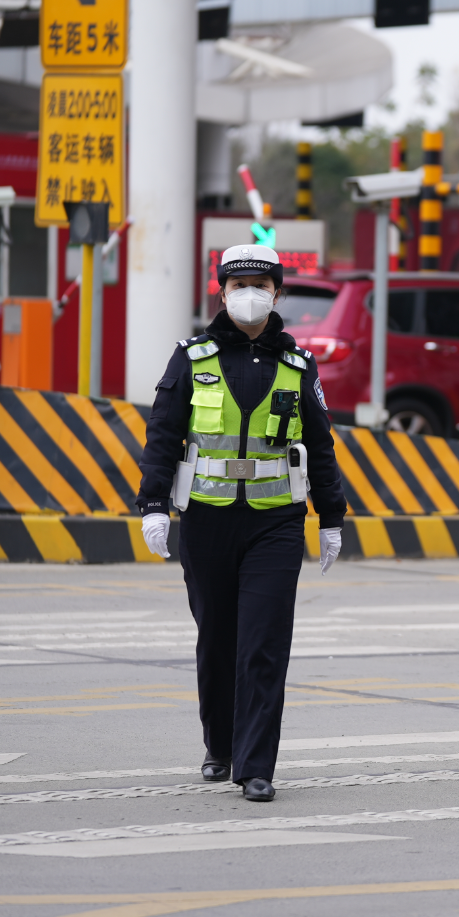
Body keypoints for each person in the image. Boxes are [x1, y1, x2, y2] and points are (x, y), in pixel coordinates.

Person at [136, 243, 347, 802]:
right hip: (206, 518)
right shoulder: (192, 357)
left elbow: (321, 447)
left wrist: (331, 517)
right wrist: (154, 504)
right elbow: (163, 436)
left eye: (260, 284)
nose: (248, 294)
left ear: (277, 292)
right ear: (221, 293)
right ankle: (220, 743)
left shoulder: (298, 365)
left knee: (264, 642)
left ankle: (256, 766)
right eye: (237, 285)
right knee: (218, 639)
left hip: (276, 521)